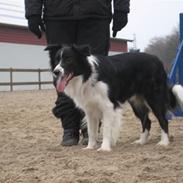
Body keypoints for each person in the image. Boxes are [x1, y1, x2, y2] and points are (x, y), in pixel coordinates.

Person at [24, 0, 130, 146]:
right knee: (62, 72)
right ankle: (69, 127)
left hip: (96, 14)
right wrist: (32, 12)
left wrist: (121, 9)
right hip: (57, 15)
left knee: (96, 75)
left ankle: (89, 130)